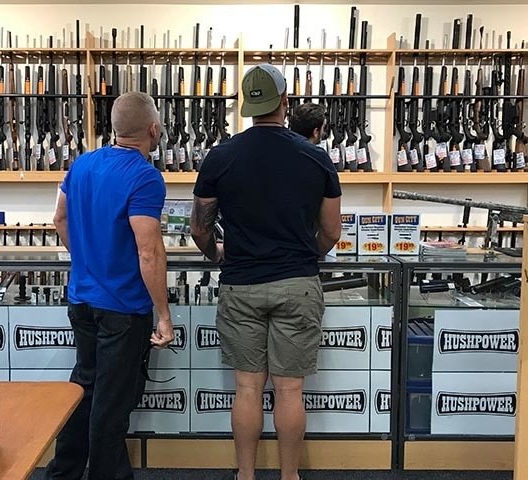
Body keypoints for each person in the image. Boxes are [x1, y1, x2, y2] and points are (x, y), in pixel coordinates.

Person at [190, 64, 343, 480]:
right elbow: (331, 231)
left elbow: (199, 228)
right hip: (297, 283)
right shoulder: (315, 157)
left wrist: (217, 254)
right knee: (290, 389)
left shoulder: (221, 156)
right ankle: (289, 475)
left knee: (247, 389)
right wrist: (299, 256)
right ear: (286, 104)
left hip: (241, 285)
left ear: (248, 107)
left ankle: (245, 475)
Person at [49, 91, 174, 480]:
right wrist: (165, 316)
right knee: (111, 405)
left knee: (83, 391)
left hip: (82, 301)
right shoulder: (145, 176)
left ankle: (63, 473)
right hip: (123, 308)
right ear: (153, 130)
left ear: (115, 129)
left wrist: (87, 259)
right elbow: (149, 251)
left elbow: (59, 219)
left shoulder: (82, 165)